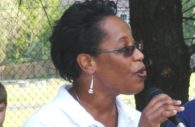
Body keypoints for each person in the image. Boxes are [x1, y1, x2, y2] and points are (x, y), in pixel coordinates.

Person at [23, 0, 184, 127]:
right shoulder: (45, 123)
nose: (139, 55)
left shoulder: (135, 120)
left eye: (135, 46)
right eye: (125, 49)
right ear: (87, 63)